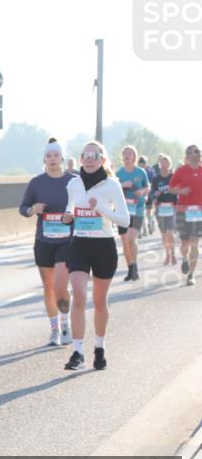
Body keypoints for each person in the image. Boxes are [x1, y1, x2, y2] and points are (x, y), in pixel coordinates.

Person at [61, 141, 130, 371]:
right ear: (81, 159)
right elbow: (70, 207)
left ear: (102, 159)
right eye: (85, 155)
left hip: (103, 246)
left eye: (94, 155)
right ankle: (77, 352)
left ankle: (99, 348)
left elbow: (125, 220)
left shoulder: (111, 185)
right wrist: (67, 216)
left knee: (100, 301)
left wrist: (101, 209)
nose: (89, 158)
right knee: (78, 295)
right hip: (79, 244)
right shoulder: (73, 183)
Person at [19, 139, 75, 346]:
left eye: (56, 155)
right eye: (48, 156)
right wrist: (33, 209)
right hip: (44, 240)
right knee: (48, 286)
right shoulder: (37, 182)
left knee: (61, 284)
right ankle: (54, 330)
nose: (52, 159)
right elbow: (23, 208)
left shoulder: (73, 181)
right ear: (44, 159)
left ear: (62, 158)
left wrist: (73, 215)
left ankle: (65, 323)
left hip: (67, 240)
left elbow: (85, 206)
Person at [115, 146, 151, 281]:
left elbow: (147, 187)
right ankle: (130, 269)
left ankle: (134, 265)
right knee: (125, 242)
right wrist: (123, 185)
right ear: (122, 157)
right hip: (122, 211)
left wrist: (141, 192)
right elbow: (113, 190)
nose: (127, 156)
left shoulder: (141, 172)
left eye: (130, 154)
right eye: (124, 154)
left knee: (131, 238)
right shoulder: (118, 173)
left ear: (134, 157)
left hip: (137, 210)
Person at [170, 144, 202, 286]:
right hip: (183, 211)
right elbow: (170, 189)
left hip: (198, 213)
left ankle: (191, 275)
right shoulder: (181, 171)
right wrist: (181, 192)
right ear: (188, 156)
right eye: (194, 152)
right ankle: (184, 258)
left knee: (195, 244)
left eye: (198, 151)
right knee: (185, 243)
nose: (198, 154)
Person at [151, 154, 178, 265]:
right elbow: (151, 194)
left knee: (170, 232)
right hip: (160, 208)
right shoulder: (156, 179)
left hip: (171, 207)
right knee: (163, 233)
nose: (164, 164)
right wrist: (155, 194)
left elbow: (178, 190)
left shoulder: (173, 177)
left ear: (169, 164)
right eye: (162, 162)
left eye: (166, 162)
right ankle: (167, 255)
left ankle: (172, 254)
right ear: (159, 164)